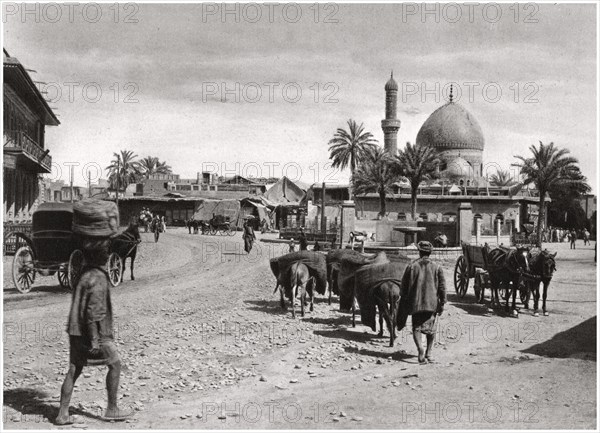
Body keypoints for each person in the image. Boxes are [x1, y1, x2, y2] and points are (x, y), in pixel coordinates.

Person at [56, 200, 131, 425]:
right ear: (104, 254)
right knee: (115, 364)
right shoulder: (99, 278)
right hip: (95, 334)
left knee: (73, 369)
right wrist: (96, 341)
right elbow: (93, 314)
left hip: (75, 331)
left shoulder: (83, 274)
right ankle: (112, 408)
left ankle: (62, 413)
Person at [399, 241, 446, 365]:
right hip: (432, 303)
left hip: (416, 303)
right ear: (430, 252)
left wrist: (404, 300)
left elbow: (403, 287)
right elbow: (442, 287)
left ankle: (420, 349)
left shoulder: (411, 266)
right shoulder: (437, 267)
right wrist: (442, 303)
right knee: (432, 329)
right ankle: (429, 353)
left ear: (419, 252)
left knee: (417, 327)